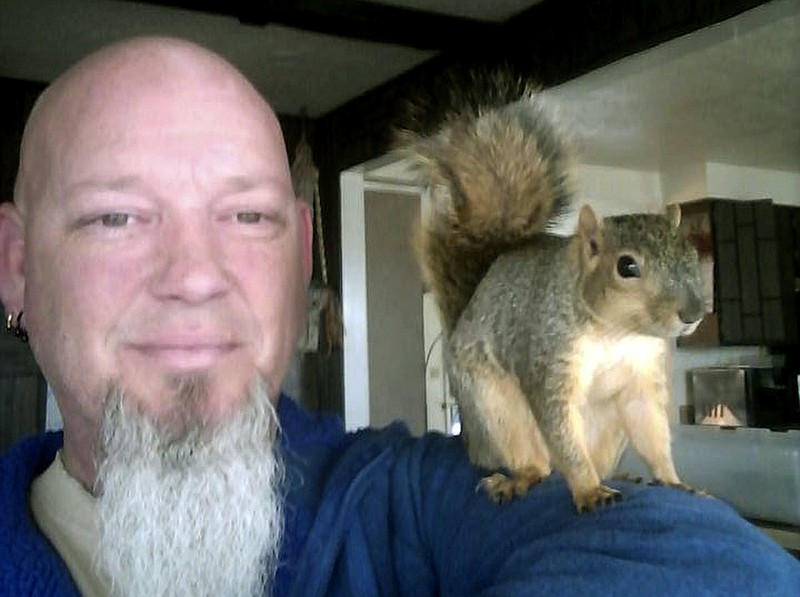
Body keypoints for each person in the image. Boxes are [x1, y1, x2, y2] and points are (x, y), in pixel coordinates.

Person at [0, 36, 796, 597]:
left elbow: (716, 563)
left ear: (297, 256)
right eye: (115, 217)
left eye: (246, 218)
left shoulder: (394, 497)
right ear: (16, 264)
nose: (196, 277)